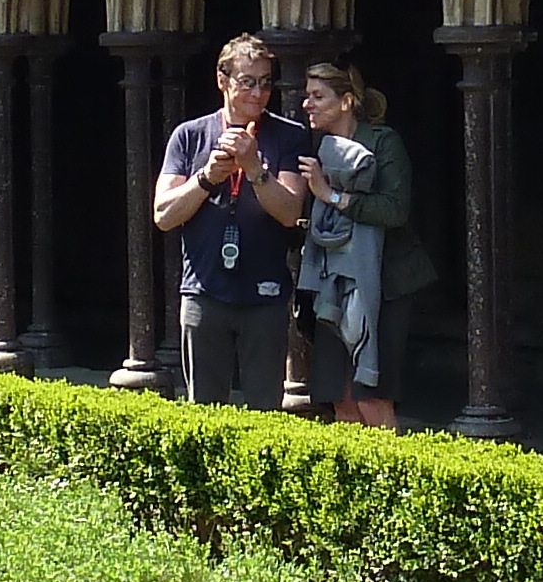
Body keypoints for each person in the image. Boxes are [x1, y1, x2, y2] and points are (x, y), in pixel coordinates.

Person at [151, 34, 311, 409]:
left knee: (264, 413)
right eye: (248, 82)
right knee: (204, 412)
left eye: (266, 82)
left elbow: (290, 211)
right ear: (222, 81)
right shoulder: (190, 136)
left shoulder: (289, 136)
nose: (258, 93)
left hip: (265, 296)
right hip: (204, 293)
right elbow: (163, 215)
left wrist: (254, 169)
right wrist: (207, 177)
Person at [294, 61, 430, 428]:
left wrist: (331, 195)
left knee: (372, 394)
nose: (307, 104)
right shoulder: (315, 147)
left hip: (384, 282)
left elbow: (395, 209)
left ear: (346, 101)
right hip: (332, 282)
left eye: (318, 96)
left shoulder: (383, 142)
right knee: (340, 399)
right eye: (307, 95)